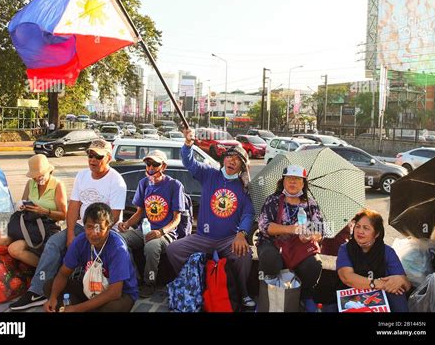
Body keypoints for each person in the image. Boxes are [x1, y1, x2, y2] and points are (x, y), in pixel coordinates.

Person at [9, 139, 127, 310]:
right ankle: (37, 291)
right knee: (54, 243)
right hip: (82, 225)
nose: (92, 160)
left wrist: (91, 235)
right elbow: (73, 207)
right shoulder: (82, 175)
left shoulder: (116, 181)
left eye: (98, 157)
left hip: (104, 230)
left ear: (108, 158)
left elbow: (114, 216)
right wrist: (71, 233)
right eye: (90, 155)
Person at [166, 128, 256, 311]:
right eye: (230, 157)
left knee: (245, 255)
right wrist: (188, 144)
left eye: (238, 160)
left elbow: (248, 214)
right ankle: (189, 283)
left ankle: (243, 293)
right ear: (224, 159)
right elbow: (189, 162)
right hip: (202, 237)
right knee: (173, 249)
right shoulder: (209, 174)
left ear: (242, 167)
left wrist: (242, 233)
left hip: (228, 239)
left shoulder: (244, 187)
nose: (233, 161)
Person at [43, 202, 138, 312]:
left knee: (111, 309)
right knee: (50, 287)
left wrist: (77, 308)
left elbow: (114, 292)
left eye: (99, 228)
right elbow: (63, 273)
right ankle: (83, 307)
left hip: (120, 293)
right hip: (91, 288)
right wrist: (53, 298)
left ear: (109, 228)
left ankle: (81, 308)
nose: (94, 233)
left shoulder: (118, 248)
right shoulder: (79, 241)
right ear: (84, 226)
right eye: (89, 227)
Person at [256, 165, 324, 312]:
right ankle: (266, 296)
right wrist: (291, 229)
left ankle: (305, 297)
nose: (292, 182)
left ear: (303, 183)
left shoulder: (310, 203)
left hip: (299, 246)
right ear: (283, 182)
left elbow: (320, 230)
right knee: (270, 260)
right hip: (272, 242)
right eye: (289, 179)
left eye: (297, 179)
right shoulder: (273, 200)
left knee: (314, 265)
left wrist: (309, 236)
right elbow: (264, 226)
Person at [118, 150, 185, 298]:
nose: (151, 168)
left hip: (165, 234)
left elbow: (177, 219)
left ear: (164, 166)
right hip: (144, 230)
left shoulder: (175, 185)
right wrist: (126, 224)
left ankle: (150, 282)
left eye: (155, 164)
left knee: (151, 246)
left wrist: (160, 232)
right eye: (148, 164)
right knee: (118, 238)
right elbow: (139, 212)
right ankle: (133, 277)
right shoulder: (143, 183)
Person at [0, 154, 67, 267]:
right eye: (34, 176)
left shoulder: (57, 185)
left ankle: (44, 270)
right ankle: (13, 271)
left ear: (49, 171)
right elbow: (22, 203)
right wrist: (21, 206)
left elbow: (64, 215)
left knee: (14, 249)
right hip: (28, 224)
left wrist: (45, 211)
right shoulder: (30, 183)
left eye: (40, 175)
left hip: (47, 227)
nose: (37, 178)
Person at [337, 209, 411, 312]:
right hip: (352, 295)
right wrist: (380, 284)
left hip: (380, 296)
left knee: (398, 294)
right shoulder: (345, 249)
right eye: (357, 226)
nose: (360, 231)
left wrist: (400, 280)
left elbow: (406, 285)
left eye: (366, 228)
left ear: (376, 234)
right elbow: (347, 277)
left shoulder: (387, 251)